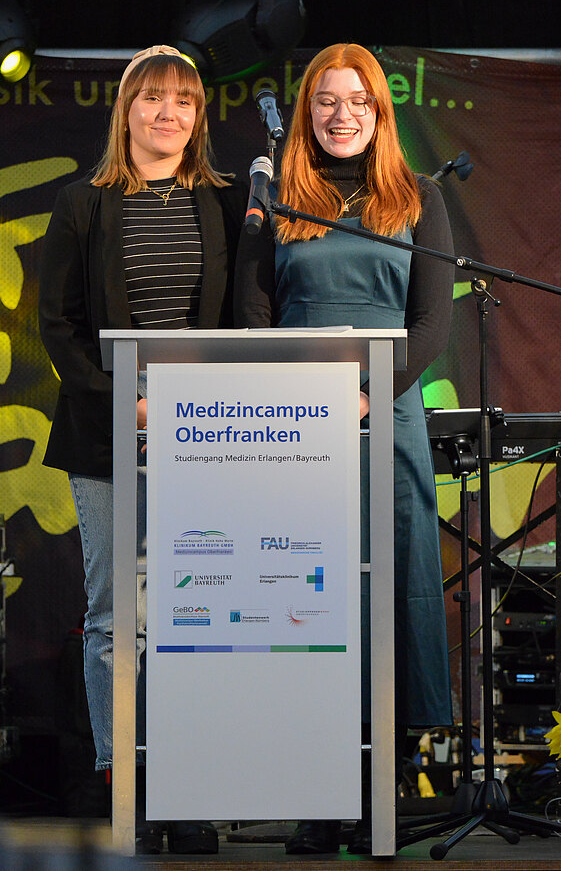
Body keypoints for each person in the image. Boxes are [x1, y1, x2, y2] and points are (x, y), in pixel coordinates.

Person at [235, 42, 454, 855]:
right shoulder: (275, 197)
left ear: (379, 112)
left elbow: (431, 321)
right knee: (305, 600)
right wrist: (299, 403)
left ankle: (378, 792)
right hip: (295, 423)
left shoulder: (419, 196)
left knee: (388, 594)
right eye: (326, 100)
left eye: (357, 100)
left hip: (384, 413)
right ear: (307, 111)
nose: (341, 114)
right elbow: (252, 312)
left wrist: (365, 395)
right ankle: (316, 793)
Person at [39, 45, 245, 854]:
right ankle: (126, 783)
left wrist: (191, 408)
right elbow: (58, 324)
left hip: (204, 434)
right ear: (125, 110)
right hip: (105, 430)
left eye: (184, 102)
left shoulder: (225, 203)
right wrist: (127, 403)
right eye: (153, 98)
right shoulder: (82, 204)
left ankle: (188, 786)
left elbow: (237, 323)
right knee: (113, 614)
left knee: (194, 612)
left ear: (198, 119)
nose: (168, 113)